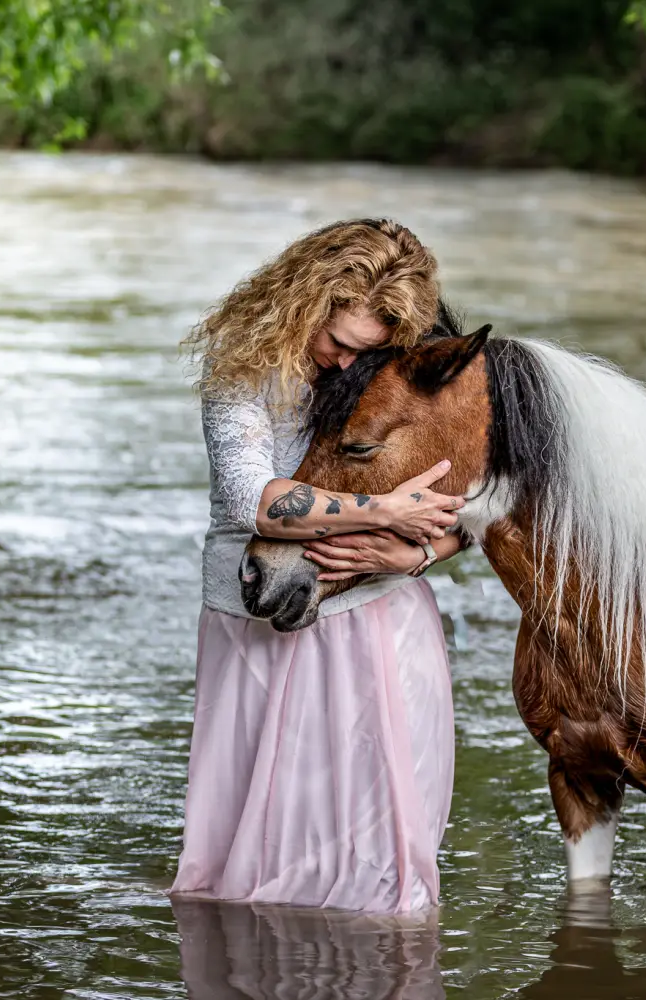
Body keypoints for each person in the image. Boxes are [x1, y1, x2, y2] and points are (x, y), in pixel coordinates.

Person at [169, 218, 468, 914]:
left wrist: (422, 551)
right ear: (305, 304)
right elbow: (256, 501)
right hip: (257, 627)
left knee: (383, 864)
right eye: (336, 342)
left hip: (381, 622)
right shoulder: (241, 363)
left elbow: (480, 498)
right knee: (258, 865)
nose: (343, 363)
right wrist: (384, 512)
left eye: (362, 352)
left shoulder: (400, 369)